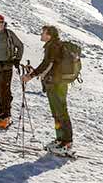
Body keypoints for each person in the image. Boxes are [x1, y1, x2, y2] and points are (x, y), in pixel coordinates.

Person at [22, 25, 73, 155]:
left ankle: (66, 142)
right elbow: (50, 66)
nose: (41, 34)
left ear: (49, 35)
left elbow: (47, 64)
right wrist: (34, 72)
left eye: (43, 33)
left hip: (56, 84)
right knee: (57, 112)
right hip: (56, 83)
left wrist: (30, 76)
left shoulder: (53, 46)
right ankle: (60, 139)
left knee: (60, 112)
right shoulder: (54, 45)